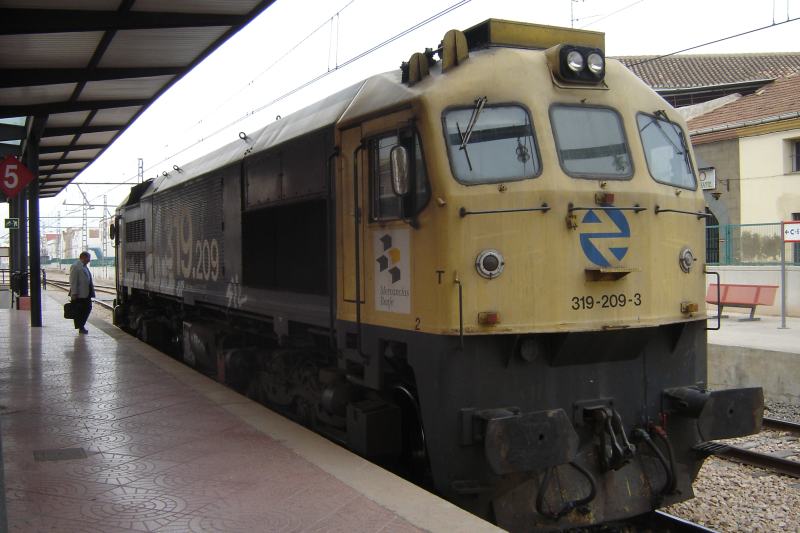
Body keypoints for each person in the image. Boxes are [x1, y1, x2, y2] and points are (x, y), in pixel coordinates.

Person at [69, 251, 95, 334]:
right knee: (81, 310)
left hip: (85, 293)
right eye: (88, 258)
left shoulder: (84, 266)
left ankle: (81, 326)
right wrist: (74, 293)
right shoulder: (76, 266)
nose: (89, 260)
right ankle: (81, 326)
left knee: (86, 309)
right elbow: (73, 281)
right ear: (83, 257)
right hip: (79, 294)